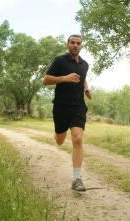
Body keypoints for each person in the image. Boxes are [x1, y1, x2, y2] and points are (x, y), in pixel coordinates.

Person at [43, 34, 92, 191]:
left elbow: (83, 78)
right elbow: (46, 80)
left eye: (78, 43)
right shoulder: (59, 61)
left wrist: (86, 89)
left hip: (78, 106)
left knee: (77, 139)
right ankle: (57, 133)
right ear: (67, 45)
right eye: (72, 43)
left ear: (81, 46)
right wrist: (65, 78)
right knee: (60, 140)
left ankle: (76, 179)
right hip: (61, 106)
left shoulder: (85, 64)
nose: (75, 45)